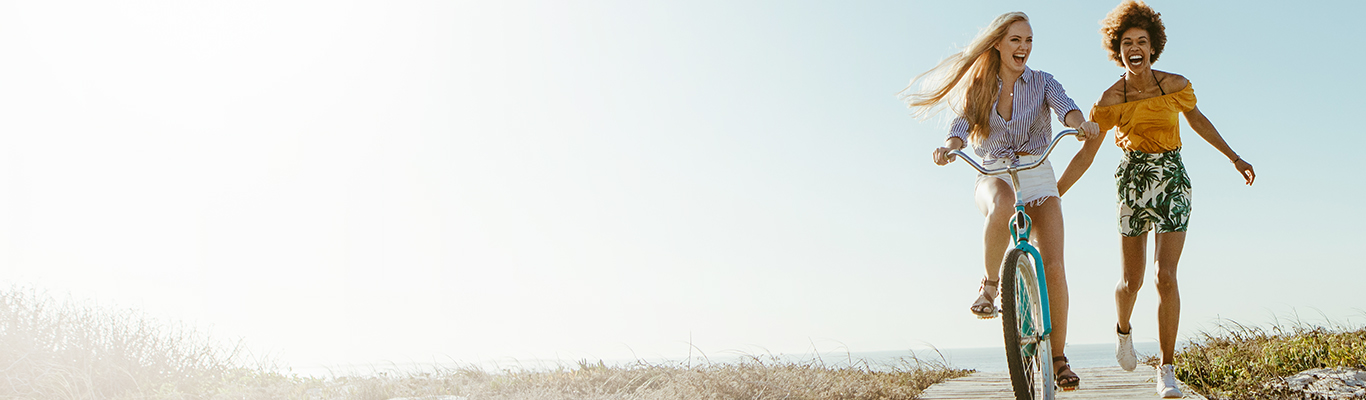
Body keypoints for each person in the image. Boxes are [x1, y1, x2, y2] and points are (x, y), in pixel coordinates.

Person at [1054, 1, 1256, 397]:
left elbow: (1198, 120)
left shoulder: (1175, 86)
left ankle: (1166, 369)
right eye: (1127, 42)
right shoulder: (1111, 99)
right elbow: (1086, 154)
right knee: (1133, 280)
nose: (1135, 47)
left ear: (1152, 46)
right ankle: (1123, 330)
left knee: (1166, 276)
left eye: (1142, 41)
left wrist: (1233, 157)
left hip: (1173, 180)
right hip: (1133, 181)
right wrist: (1055, 194)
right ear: (1118, 49)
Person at [899, 11, 1100, 390]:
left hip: (1037, 171)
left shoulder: (1042, 82)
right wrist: (949, 147)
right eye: (1015, 40)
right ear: (998, 44)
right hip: (992, 171)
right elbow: (959, 128)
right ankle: (991, 285)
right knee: (1003, 203)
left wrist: (1078, 125)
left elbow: (1067, 107)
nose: (1023, 48)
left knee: (1054, 264)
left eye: (1028, 41)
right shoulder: (979, 87)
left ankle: (1058, 359)